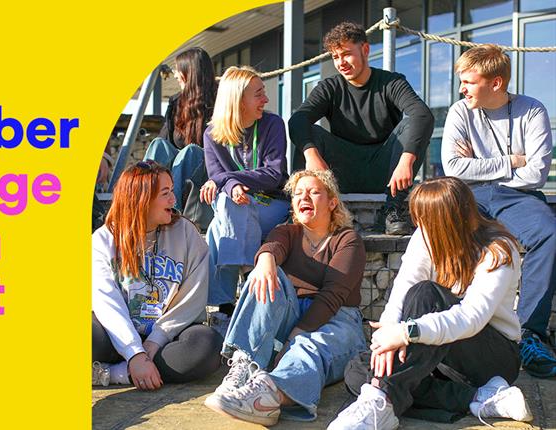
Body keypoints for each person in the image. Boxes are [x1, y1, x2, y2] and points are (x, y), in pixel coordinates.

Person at [328, 177, 533, 430]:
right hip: (439, 355)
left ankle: (382, 398)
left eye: (424, 218)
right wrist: (387, 340)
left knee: (426, 294)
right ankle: (479, 398)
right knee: (358, 369)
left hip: (489, 356)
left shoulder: (498, 250)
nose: (418, 225)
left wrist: (406, 332)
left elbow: (471, 318)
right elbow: (402, 289)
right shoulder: (426, 237)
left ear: (448, 220)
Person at [203, 169, 367, 426]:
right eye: (299, 193)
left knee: (307, 347)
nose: (305, 198)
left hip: (337, 318)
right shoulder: (287, 232)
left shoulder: (348, 240)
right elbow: (273, 246)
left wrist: (294, 336)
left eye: (314, 192)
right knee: (265, 275)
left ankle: (269, 396)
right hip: (292, 312)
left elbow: (332, 297)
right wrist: (266, 260)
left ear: (332, 202)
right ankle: (244, 364)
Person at [441, 44, 556, 379]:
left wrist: (477, 164)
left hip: (518, 196)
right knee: (445, 231)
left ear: (496, 83)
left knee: (549, 233)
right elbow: (453, 167)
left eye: (468, 81)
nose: (461, 88)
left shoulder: (532, 111)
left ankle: (530, 335)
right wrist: (511, 161)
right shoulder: (460, 112)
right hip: (470, 195)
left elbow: (536, 173)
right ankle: (451, 328)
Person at [288, 21, 434, 235]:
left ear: (365, 50)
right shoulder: (330, 87)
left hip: (386, 171)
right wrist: (311, 154)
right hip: (342, 171)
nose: (341, 63)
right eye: (335, 57)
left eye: (346, 54)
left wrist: (407, 159)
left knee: (413, 122)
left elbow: (422, 114)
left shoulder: (391, 82)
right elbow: (297, 120)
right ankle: (300, 210)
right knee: (308, 131)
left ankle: (392, 209)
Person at [92, 161, 221, 390]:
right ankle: (131, 370)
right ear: (141, 198)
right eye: (165, 193)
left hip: (167, 339)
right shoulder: (104, 240)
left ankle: (112, 373)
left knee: (207, 345)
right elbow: (106, 302)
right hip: (117, 337)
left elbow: (193, 296)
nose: (174, 199)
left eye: (172, 191)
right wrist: (134, 352)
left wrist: (155, 340)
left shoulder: (186, 232)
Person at [200, 66, 290, 332]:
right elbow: (217, 174)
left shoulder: (273, 124)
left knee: (219, 228)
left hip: (271, 204)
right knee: (227, 213)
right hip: (234, 205)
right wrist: (229, 183)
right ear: (238, 100)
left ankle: (222, 309)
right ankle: (246, 281)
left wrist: (228, 181)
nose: (266, 100)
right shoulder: (212, 134)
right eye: (259, 94)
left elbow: (274, 175)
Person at [144, 47, 217, 231]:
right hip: (178, 168)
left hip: (206, 168)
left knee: (191, 151)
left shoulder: (219, 101)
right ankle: (141, 198)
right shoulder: (177, 102)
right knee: (158, 144)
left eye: (179, 70)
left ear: (189, 72)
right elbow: (164, 140)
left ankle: (172, 210)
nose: (176, 74)